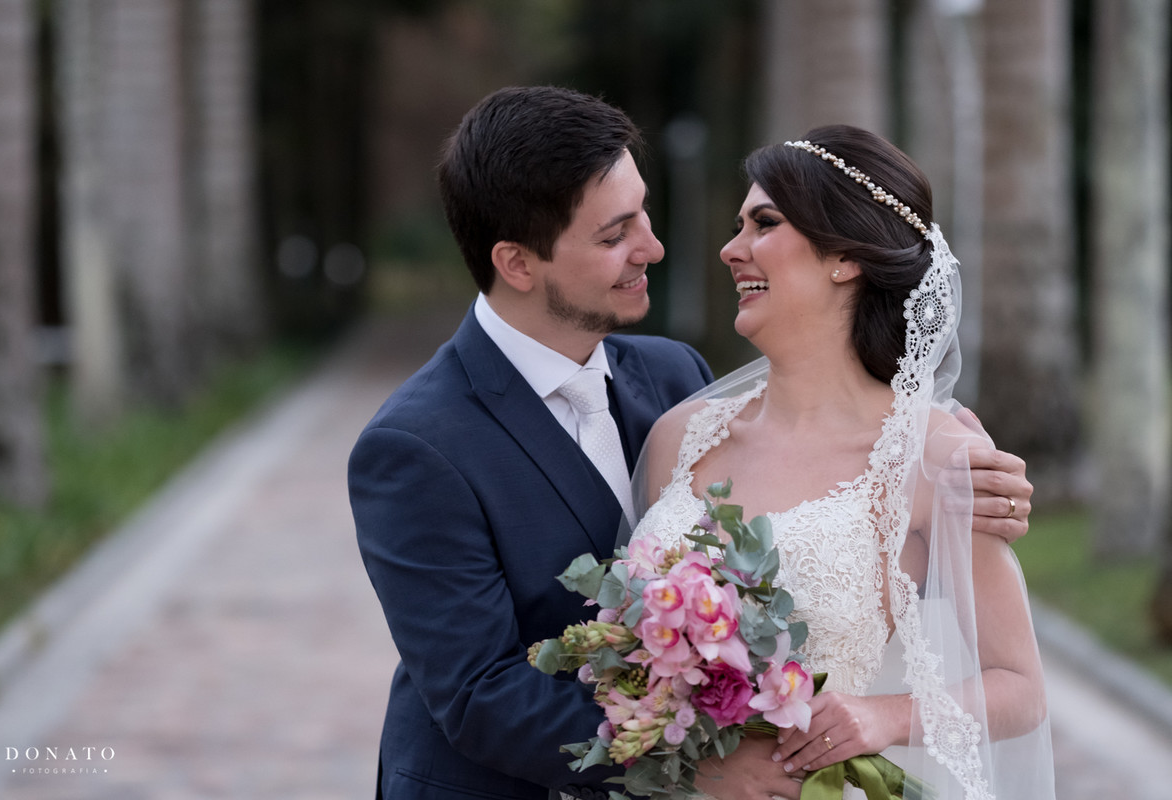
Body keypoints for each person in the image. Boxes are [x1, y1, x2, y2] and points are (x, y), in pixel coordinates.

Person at [349, 87, 1036, 800]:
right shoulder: (414, 446)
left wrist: (968, 503)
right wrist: (698, 767)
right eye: (614, 235)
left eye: (642, 211)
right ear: (518, 264)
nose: (654, 246)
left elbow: (887, 565)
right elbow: (477, 694)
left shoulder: (676, 380)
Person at [629, 125, 1054, 799]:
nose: (731, 248)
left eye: (763, 223)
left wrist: (880, 716)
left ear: (846, 257)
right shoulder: (679, 438)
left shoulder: (935, 455)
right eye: (739, 225)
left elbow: (1021, 688)